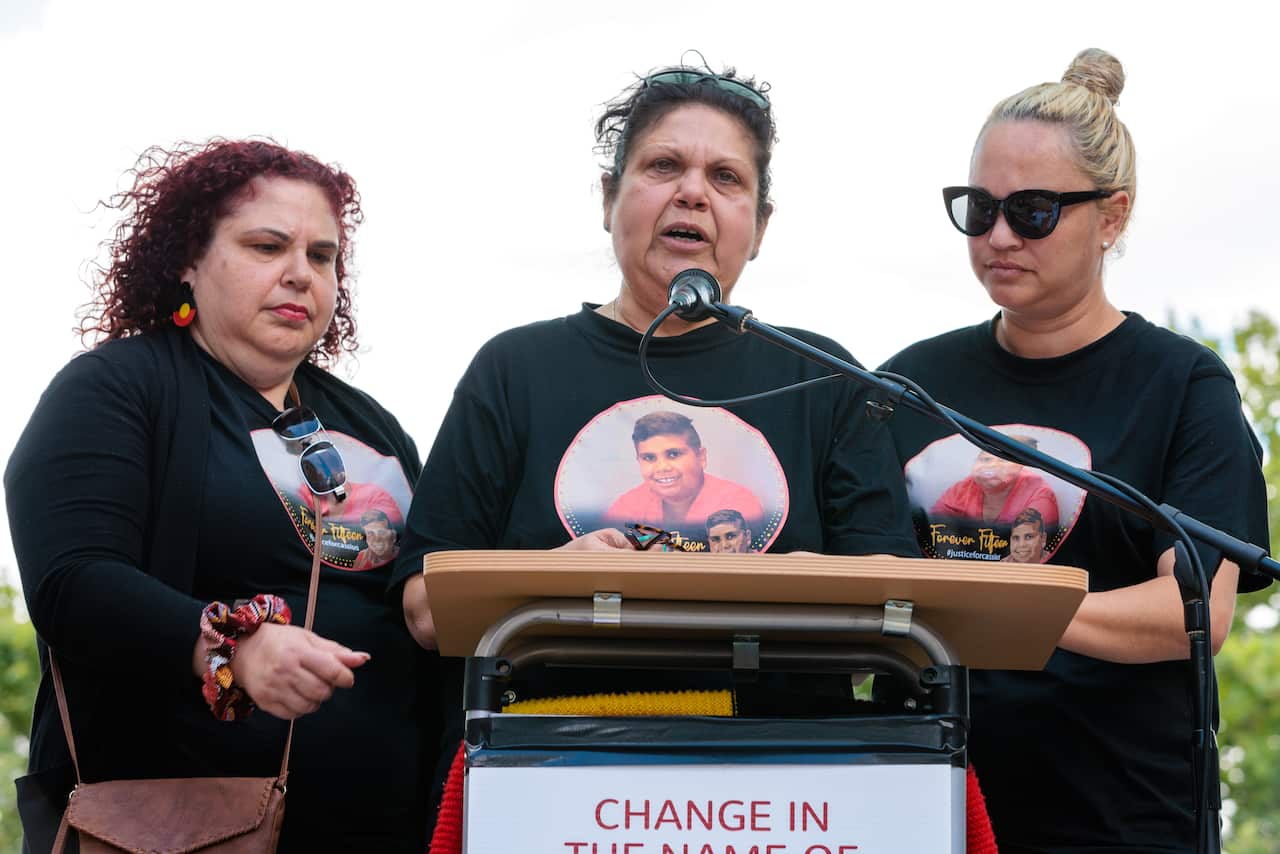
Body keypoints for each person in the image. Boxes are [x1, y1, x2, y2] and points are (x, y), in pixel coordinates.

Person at [393, 61, 921, 781]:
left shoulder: (826, 378)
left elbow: (898, 600)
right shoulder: (515, 368)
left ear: (760, 227)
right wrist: (542, 580)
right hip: (553, 770)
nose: (693, 192)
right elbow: (424, 605)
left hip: (786, 779)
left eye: (727, 178)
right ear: (609, 199)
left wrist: (810, 579)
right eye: (664, 165)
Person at [879, 49, 1271, 852]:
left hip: (1121, 819)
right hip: (928, 808)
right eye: (977, 207)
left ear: (1113, 216)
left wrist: (1006, 609)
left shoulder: (1182, 385)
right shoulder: (910, 383)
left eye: (1031, 211)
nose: (996, 236)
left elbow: (1193, 612)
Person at [5, 140, 437, 853]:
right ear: (188, 260)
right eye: (267, 246)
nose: (301, 274)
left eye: (322, 256)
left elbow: (424, 599)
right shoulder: (115, 388)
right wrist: (232, 646)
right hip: (180, 830)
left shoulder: (372, 425)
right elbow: (72, 582)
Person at [604, 410, 765, 531]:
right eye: (649, 458)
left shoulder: (738, 505)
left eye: (673, 454)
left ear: (701, 457)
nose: (662, 467)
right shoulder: (625, 507)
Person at [932, 436, 1059, 529]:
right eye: (985, 459)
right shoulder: (963, 487)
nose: (992, 465)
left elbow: (1030, 546)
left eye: (1003, 460)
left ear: (1021, 466)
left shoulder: (1038, 493)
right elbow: (936, 528)